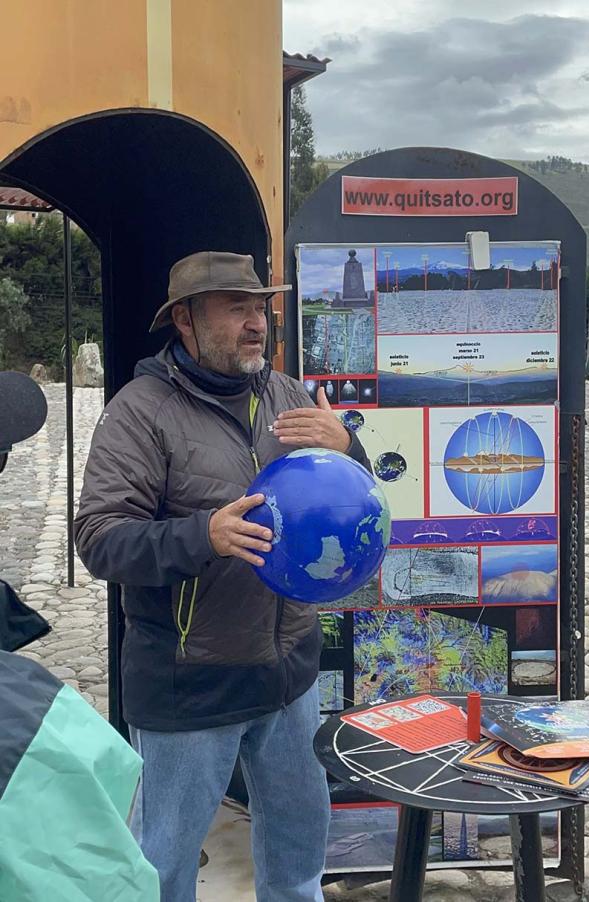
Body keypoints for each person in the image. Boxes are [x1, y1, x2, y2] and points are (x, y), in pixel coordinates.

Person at [74, 251, 371, 902]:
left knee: (298, 860)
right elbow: (97, 540)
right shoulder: (141, 412)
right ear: (185, 319)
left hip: (289, 675)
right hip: (190, 689)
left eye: (260, 306)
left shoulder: (288, 396)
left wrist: (350, 448)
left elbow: (353, 501)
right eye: (235, 307)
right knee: (162, 869)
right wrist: (200, 536)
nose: (257, 322)